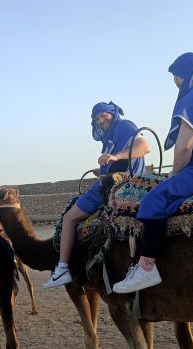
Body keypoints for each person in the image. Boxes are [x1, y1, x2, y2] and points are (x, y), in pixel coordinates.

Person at [112, 52, 193, 293]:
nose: (175, 83)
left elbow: (184, 146)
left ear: (181, 76)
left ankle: (146, 267)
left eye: (175, 78)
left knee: (154, 199)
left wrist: (173, 177)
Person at [44, 103, 150, 288]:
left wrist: (115, 157)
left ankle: (62, 269)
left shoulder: (124, 126)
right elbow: (120, 161)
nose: (101, 120)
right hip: (123, 180)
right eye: (97, 118)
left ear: (113, 113)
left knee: (69, 218)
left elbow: (144, 146)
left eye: (104, 115)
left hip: (118, 184)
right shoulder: (110, 138)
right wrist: (103, 169)